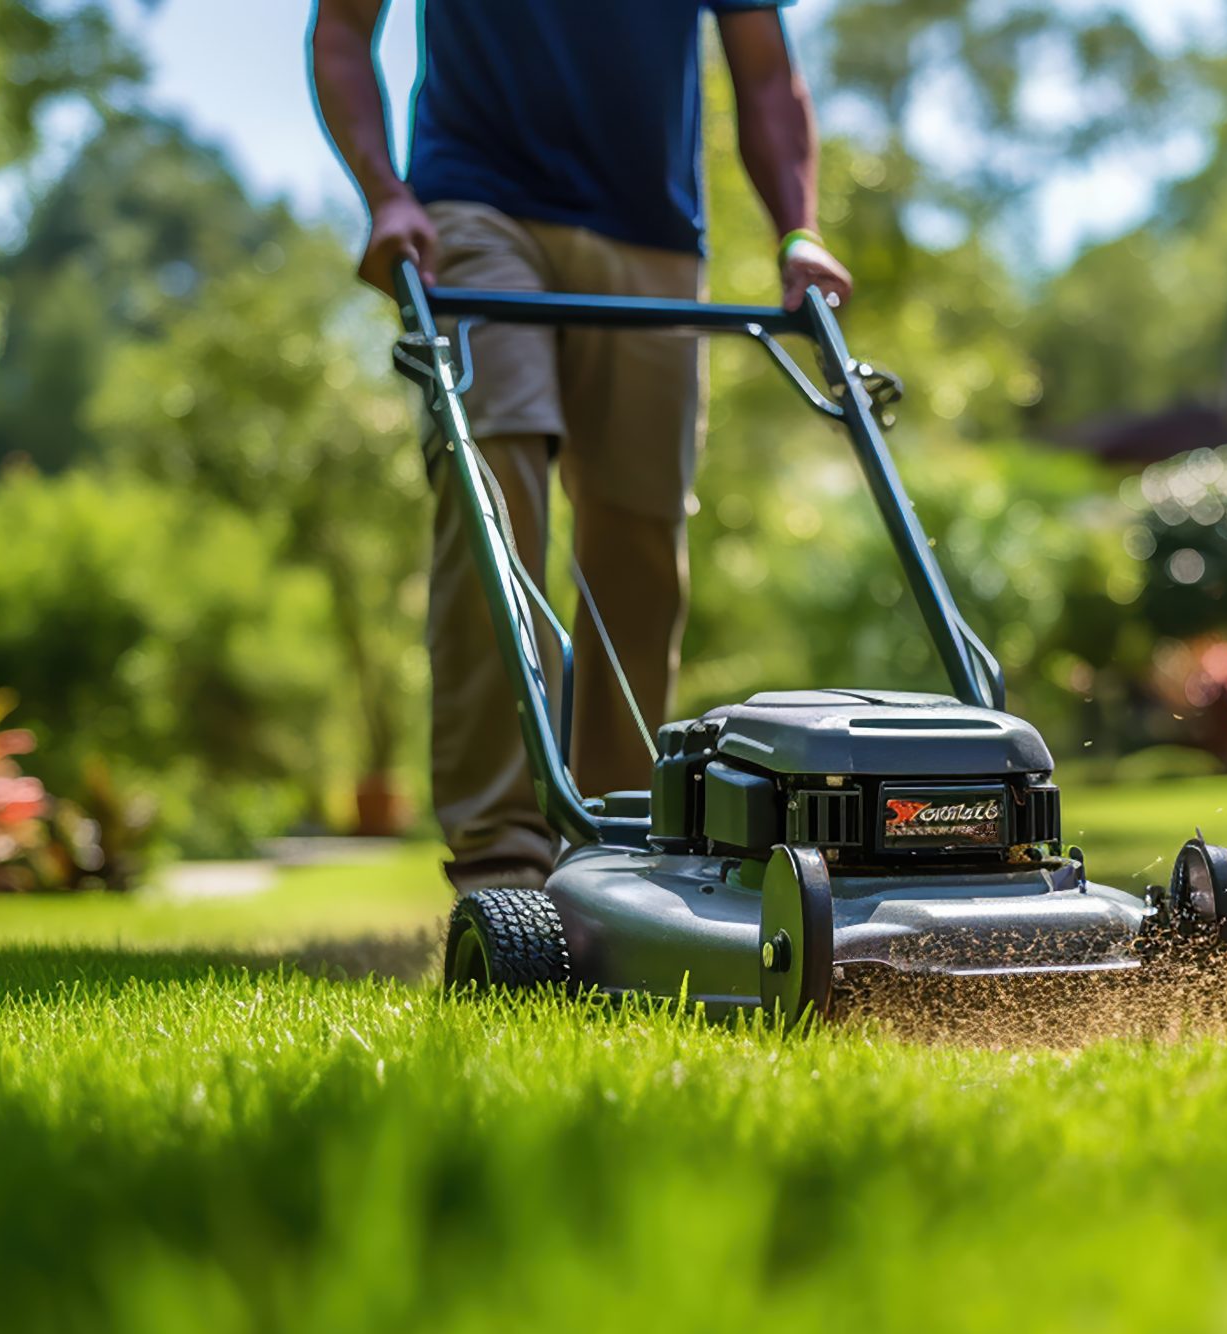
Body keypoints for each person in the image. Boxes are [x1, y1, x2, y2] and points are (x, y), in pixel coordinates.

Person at [311, 0, 852, 892]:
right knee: (496, 494)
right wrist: (386, 195)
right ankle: (502, 853)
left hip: (654, 235)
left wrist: (798, 229)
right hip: (473, 214)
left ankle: (615, 845)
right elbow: (341, 29)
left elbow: (764, 70)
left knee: (641, 539)